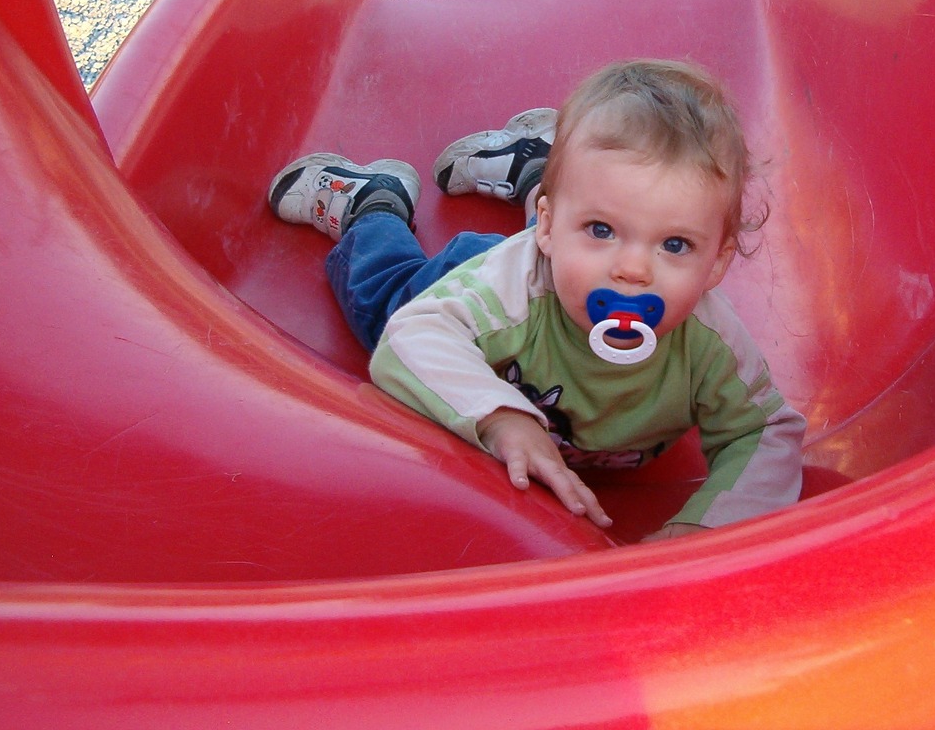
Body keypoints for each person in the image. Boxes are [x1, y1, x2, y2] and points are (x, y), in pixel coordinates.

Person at [268, 59, 805, 540]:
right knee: (382, 304)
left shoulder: (710, 342)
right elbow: (410, 336)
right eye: (603, 229)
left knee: (586, 232)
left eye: (674, 244)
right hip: (490, 277)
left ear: (716, 262)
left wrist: (704, 530)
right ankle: (369, 204)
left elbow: (763, 432)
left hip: (559, 252)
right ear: (545, 226)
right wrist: (503, 417)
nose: (632, 269)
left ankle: (535, 166)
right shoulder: (508, 296)